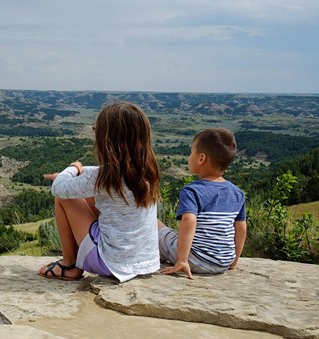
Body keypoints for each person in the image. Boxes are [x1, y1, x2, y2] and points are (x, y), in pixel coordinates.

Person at [38, 101, 161, 283]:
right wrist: (82, 171)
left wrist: (73, 168)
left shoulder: (101, 178)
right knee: (87, 196)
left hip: (110, 262)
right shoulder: (148, 171)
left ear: (107, 139)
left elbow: (59, 188)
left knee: (63, 198)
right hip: (145, 260)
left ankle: (69, 265)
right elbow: (101, 173)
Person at [158, 128, 247, 279]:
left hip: (195, 259)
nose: (189, 156)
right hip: (222, 263)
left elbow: (189, 220)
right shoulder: (237, 193)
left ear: (201, 158)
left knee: (155, 224)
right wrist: (233, 262)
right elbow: (241, 229)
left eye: (191, 151)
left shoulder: (192, 190)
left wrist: (182, 260)